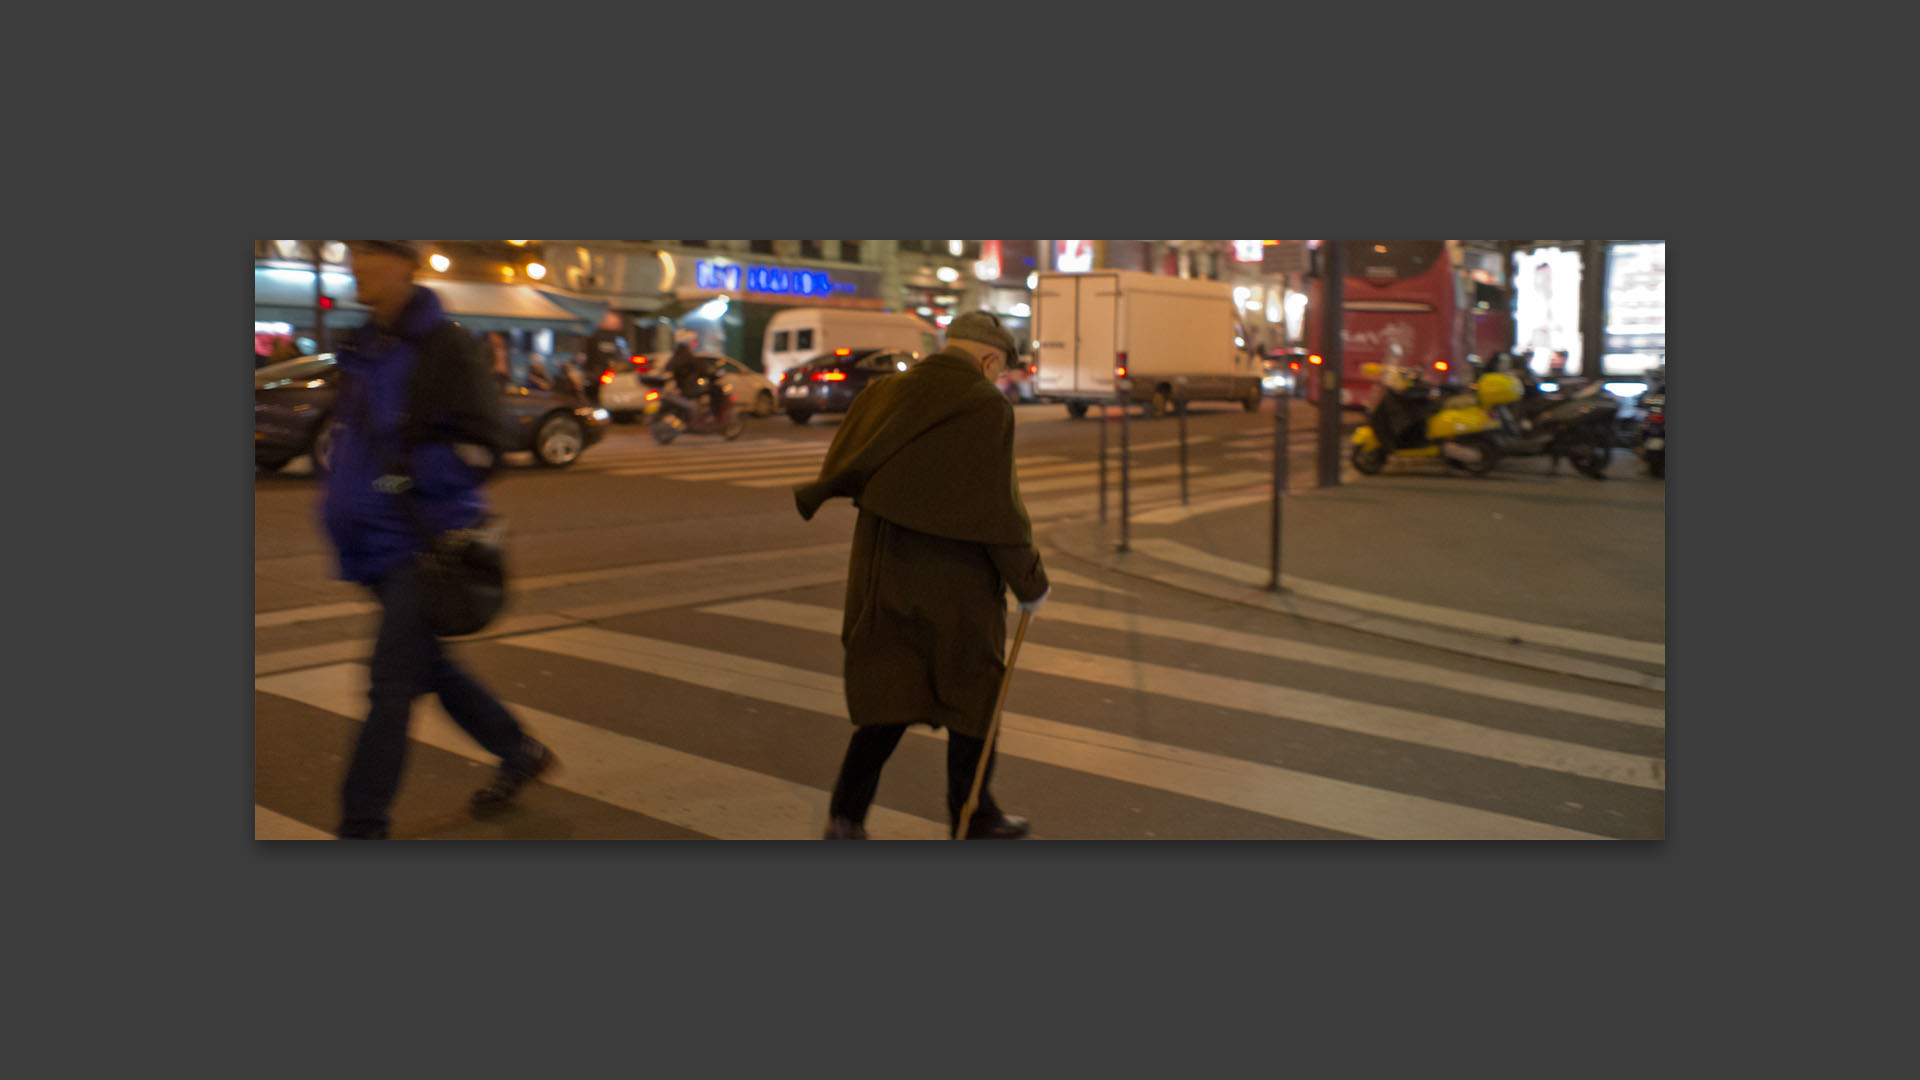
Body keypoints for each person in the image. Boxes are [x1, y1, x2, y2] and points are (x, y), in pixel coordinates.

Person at [321, 241, 556, 839]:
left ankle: (361, 825)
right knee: (430, 668)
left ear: (404, 263)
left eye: (369, 252)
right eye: (352, 252)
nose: (355, 264)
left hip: (420, 545)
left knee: (390, 685)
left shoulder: (443, 346)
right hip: (370, 546)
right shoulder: (364, 346)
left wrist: (404, 476)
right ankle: (518, 750)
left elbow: (485, 447)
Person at [794, 311, 1049, 840]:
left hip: (882, 568)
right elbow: (999, 512)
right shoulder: (984, 406)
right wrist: (1030, 583)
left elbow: (845, 465)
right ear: (986, 358)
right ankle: (972, 813)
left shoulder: (886, 392)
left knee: (888, 696)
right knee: (974, 696)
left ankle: (845, 816)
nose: (998, 379)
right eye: (998, 369)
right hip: (955, 582)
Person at [665, 332, 728, 423]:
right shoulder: (689, 356)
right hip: (690, 389)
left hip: (681, 387)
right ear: (688, 343)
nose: (694, 345)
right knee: (716, 390)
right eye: (693, 342)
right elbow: (703, 371)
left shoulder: (675, 356)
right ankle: (713, 416)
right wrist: (714, 374)